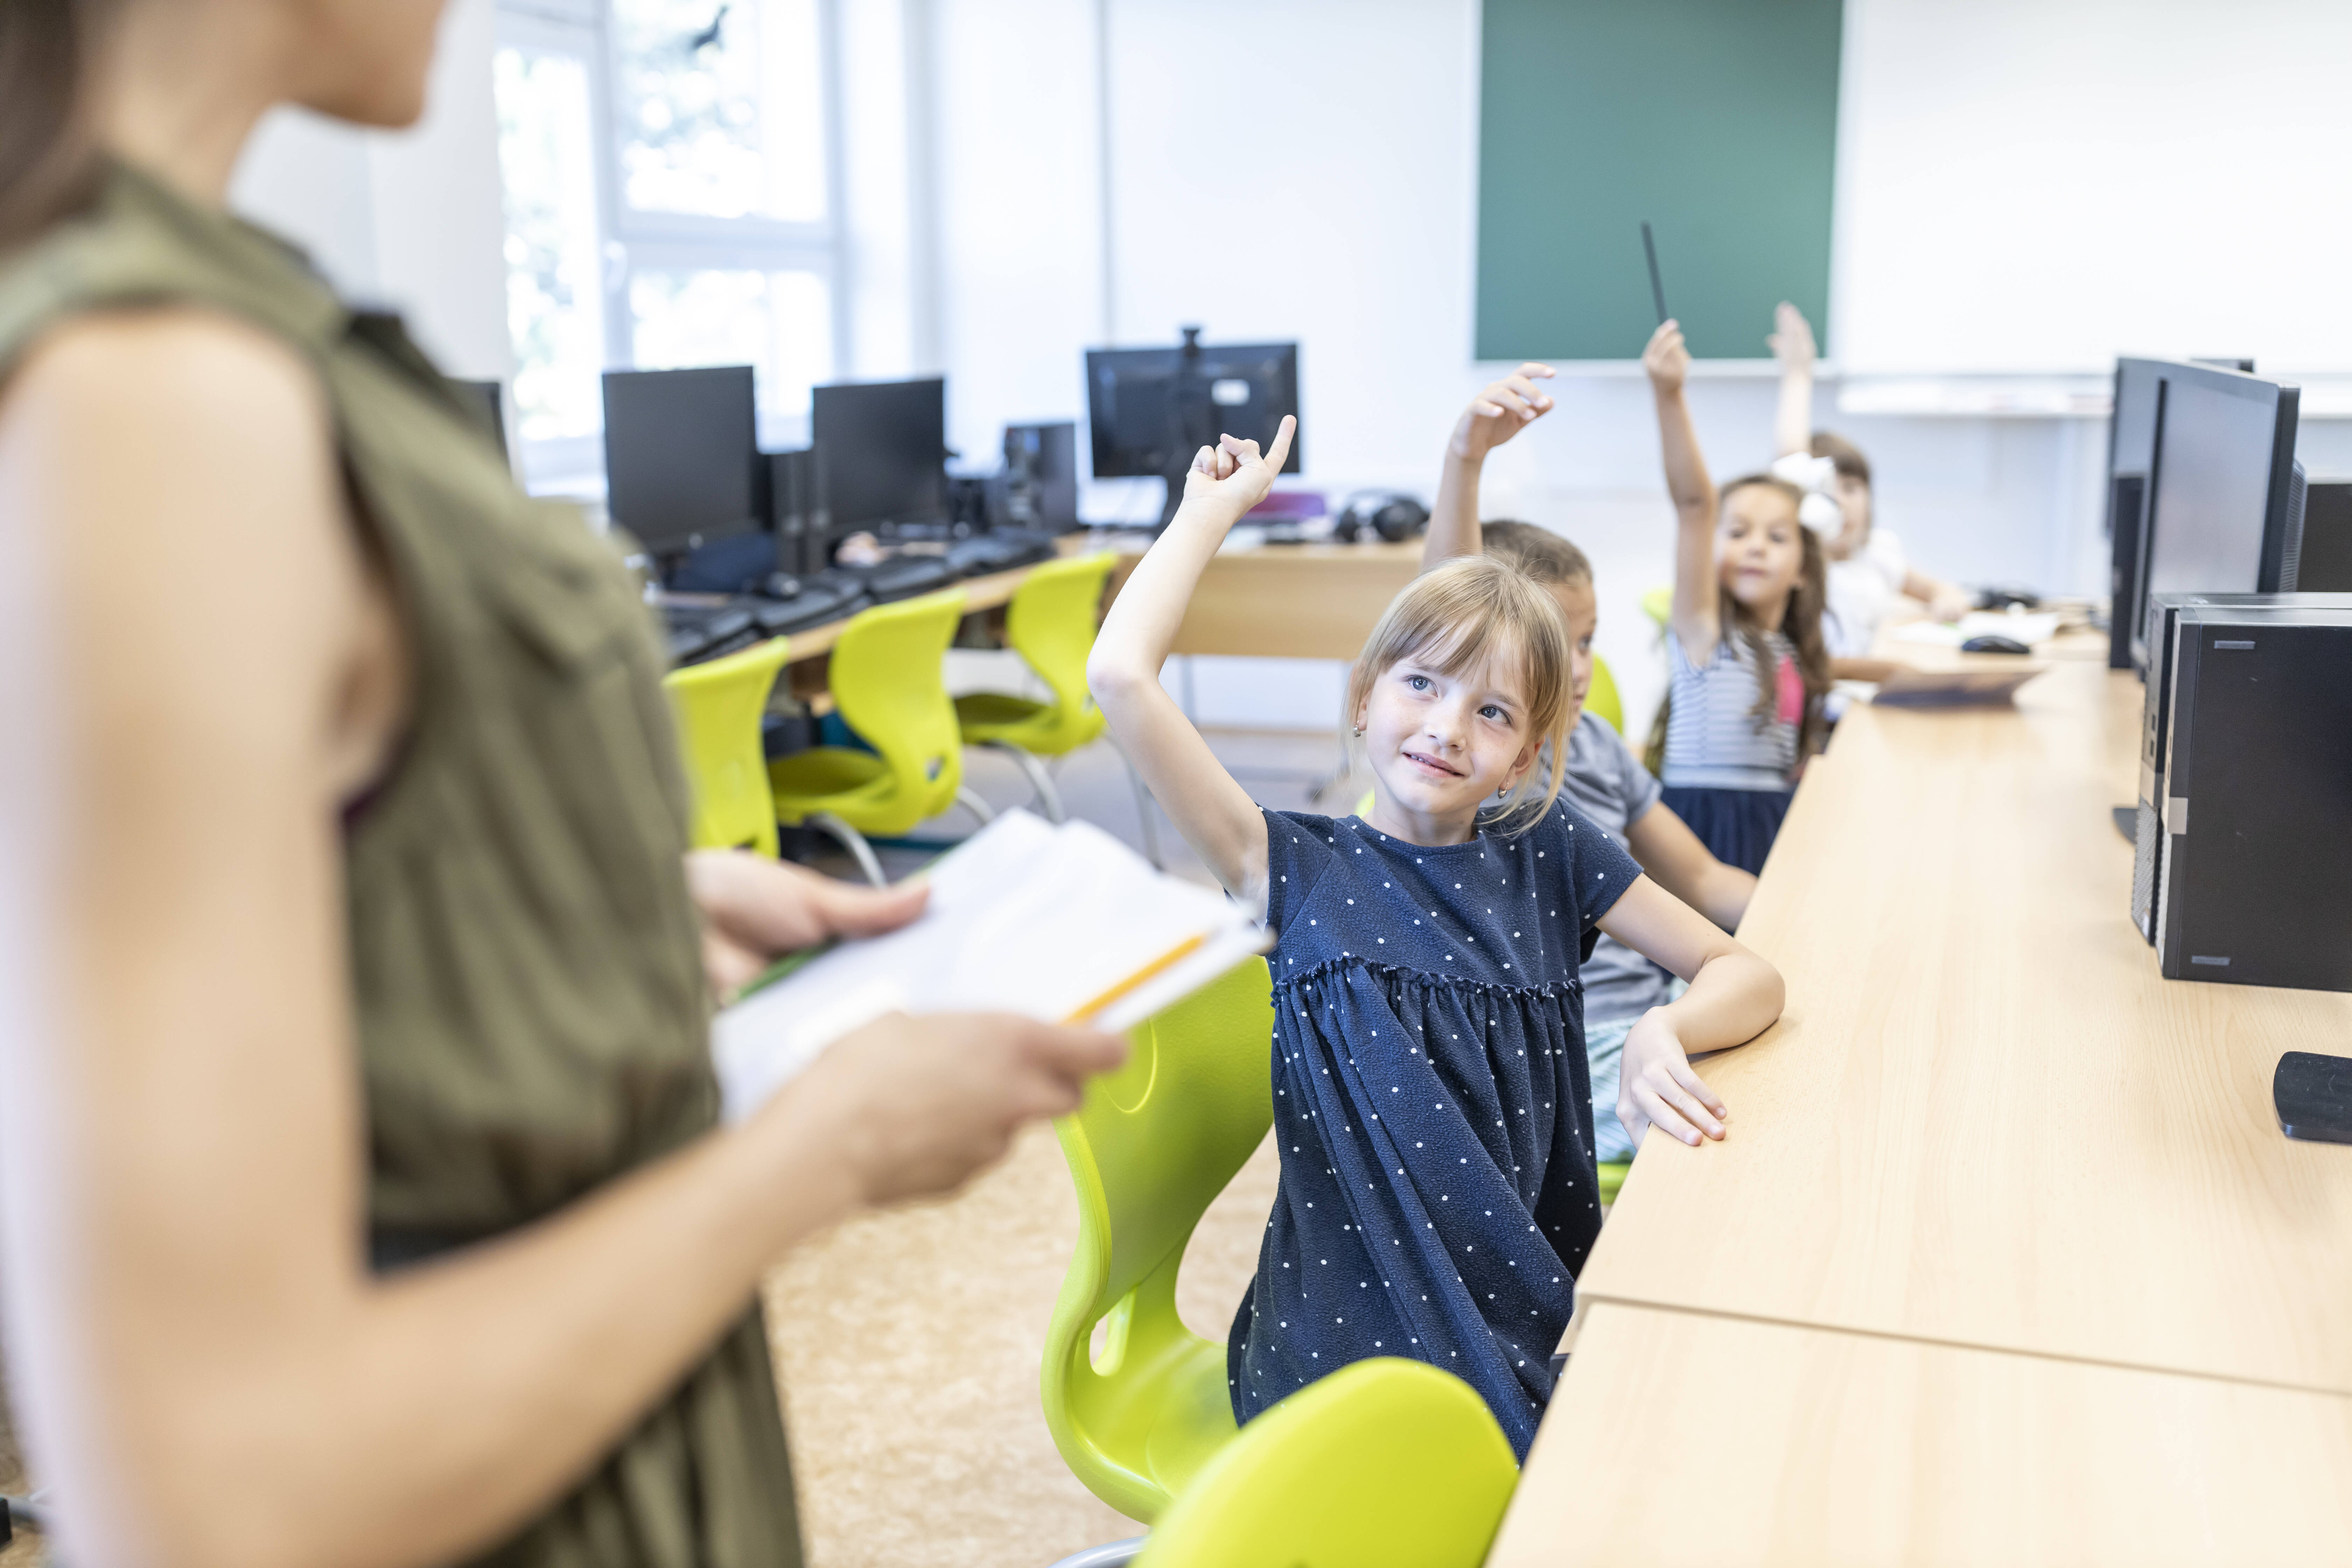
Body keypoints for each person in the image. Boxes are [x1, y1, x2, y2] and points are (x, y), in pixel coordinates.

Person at [0, 5, 1125, 1567]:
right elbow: (208, 1490)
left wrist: (576, 908)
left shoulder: (209, 338)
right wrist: (816, 1152)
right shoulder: (148, 403)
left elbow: (283, 896)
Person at [1086, 416, 1784, 1459]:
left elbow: (1744, 970)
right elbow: (1119, 677)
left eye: (1493, 710)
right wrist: (1208, 512)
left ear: (1526, 755)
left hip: (1522, 1292)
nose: (1448, 726)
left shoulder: (1547, 847)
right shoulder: (1286, 863)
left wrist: (1663, 1030)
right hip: (1342, 1334)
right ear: (1364, 697)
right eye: (1421, 683)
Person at [1424, 367, 1759, 1164]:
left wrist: (1814, 914)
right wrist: (1466, 460)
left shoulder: (1602, 746)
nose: (1574, 668)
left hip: (1658, 1012)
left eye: (1585, 641)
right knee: (1759, 1127)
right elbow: (1444, 603)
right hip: (1570, 1050)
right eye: (1549, 642)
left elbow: (1706, 881)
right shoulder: (1489, 774)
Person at [1644, 318, 1833, 875]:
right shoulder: (1706, 633)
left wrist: (1799, 378)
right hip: (1705, 826)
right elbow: (1694, 505)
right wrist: (1669, 394)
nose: (1756, 547)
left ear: (1803, 567)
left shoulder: (1788, 651)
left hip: (1770, 819)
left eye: (1777, 538)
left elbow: (1793, 486)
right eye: (1737, 533)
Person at [1769, 301, 1973, 681]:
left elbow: (1935, 588)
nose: (1841, 501)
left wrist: (1947, 598)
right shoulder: (1800, 565)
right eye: (1829, 489)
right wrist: (1797, 377)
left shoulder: (1877, 553)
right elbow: (1790, 470)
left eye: (1851, 488)